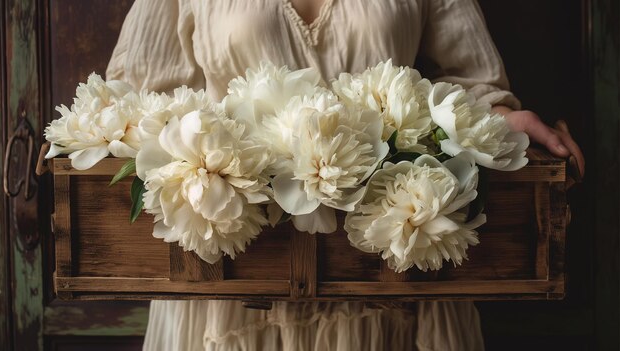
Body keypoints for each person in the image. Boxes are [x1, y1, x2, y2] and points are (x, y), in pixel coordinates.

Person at [106, 0, 584, 350]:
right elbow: (138, 98)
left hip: (387, 250)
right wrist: (92, 131)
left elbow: (472, 79)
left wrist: (502, 117)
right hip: (239, 260)